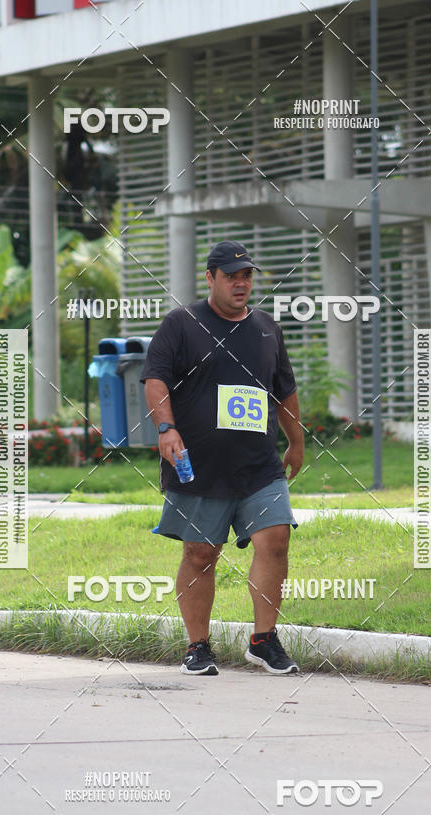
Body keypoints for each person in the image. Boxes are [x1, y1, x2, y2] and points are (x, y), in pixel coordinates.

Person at [140, 240, 304, 676]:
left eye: (246, 275)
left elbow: (284, 391)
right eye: (231, 276)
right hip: (199, 465)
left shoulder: (267, 328)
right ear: (210, 277)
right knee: (200, 554)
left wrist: (296, 441)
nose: (240, 283)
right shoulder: (182, 324)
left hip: (259, 466)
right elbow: (155, 380)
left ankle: (264, 640)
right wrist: (166, 428)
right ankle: (197, 646)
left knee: (276, 540)